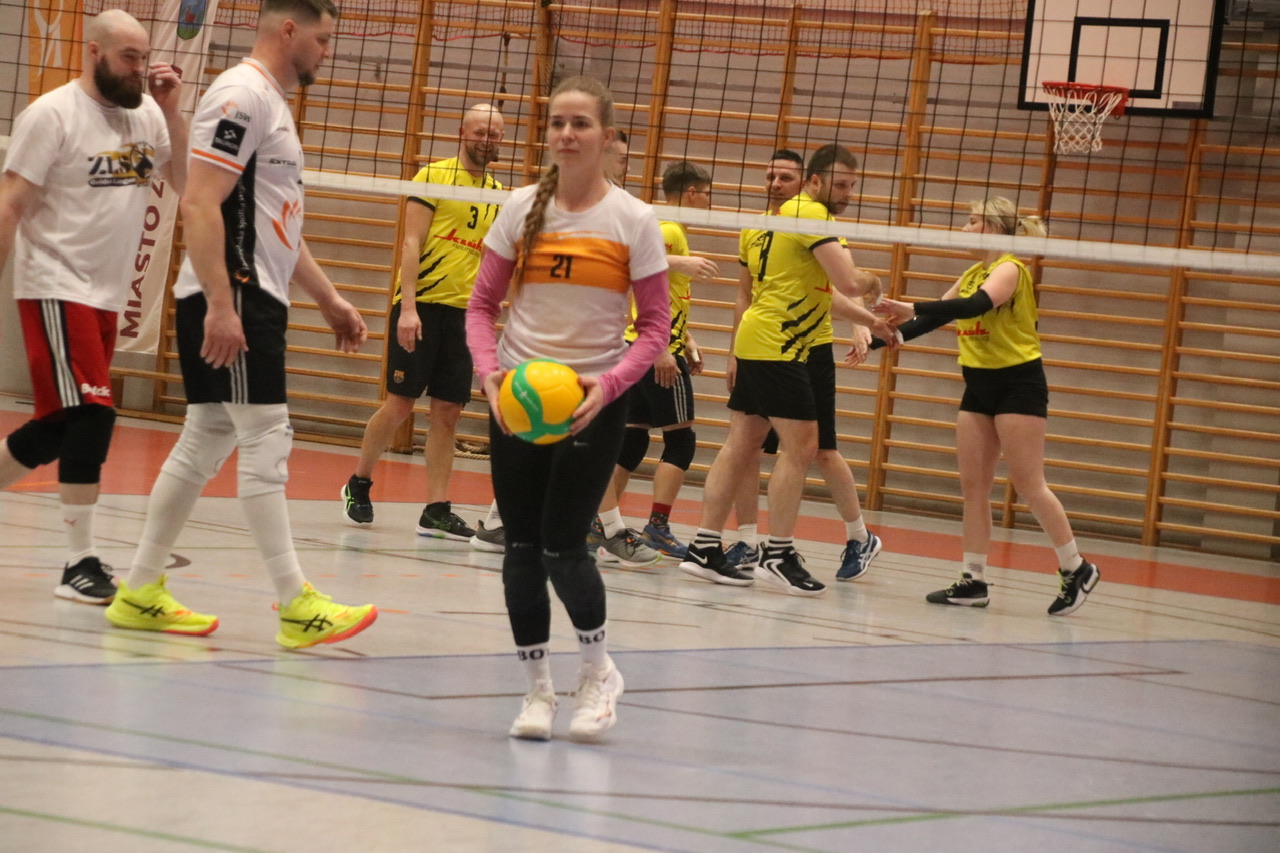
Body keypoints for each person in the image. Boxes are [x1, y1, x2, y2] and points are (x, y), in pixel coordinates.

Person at [104, 0, 378, 648]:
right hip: (237, 294)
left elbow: (272, 222)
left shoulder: (268, 103)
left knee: (204, 439)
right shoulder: (243, 94)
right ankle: (296, 603)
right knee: (267, 439)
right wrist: (224, 306)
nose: (327, 51)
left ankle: (140, 589)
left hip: (249, 291)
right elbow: (199, 202)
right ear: (289, 29)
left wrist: (329, 299)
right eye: (322, 39)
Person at [466, 75, 669, 741]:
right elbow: (481, 306)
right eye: (557, 122)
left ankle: (597, 672)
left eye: (580, 123)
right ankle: (536, 691)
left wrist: (608, 387)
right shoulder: (520, 207)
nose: (566, 134)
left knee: (563, 547)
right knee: (520, 549)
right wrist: (490, 375)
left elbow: (655, 329)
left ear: (607, 136)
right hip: (519, 400)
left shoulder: (634, 220)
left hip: (591, 403)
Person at [0, 9, 187, 604]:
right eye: (128, 57)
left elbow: (185, 181)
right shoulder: (51, 114)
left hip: (107, 294)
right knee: (93, 415)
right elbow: (10, 203)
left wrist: (174, 111)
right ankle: (79, 563)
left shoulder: (148, 114)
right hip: (56, 284)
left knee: (59, 424)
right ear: (94, 52)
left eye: (143, 57)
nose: (139, 68)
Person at [678, 144, 896, 596]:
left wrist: (868, 321)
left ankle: (703, 547)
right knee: (803, 447)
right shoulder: (811, 215)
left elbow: (815, 291)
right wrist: (875, 286)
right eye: (840, 185)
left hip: (759, 339)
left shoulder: (775, 222)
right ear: (814, 182)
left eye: (852, 185)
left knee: (742, 443)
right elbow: (849, 281)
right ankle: (777, 554)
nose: (847, 193)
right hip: (781, 344)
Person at [872, 197, 1100, 615]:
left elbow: (974, 306)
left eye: (972, 221)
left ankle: (1076, 567)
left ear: (994, 227)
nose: (964, 229)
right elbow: (934, 319)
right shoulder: (972, 273)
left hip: (1018, 384)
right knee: (973, 487)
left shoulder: (1010, 268)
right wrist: (876, 341)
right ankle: (973, 580)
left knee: (1029, 484)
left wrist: (913, 306)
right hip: (978, 385)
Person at [340, 104, 507, 548]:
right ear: (462, 132)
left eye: (494, 134)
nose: (487, 140)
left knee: (448, 413)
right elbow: (411, 242)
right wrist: (408, 308)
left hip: (464, 315)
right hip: (422, 306)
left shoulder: (497, 192)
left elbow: (491, 256)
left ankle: (436, 510)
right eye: (480, 131)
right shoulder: (434, 176)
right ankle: (359, 481)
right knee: (400, 404)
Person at [613, 160, 718, 559]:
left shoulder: (668, 228)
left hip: (641, 347)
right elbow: (638, 273)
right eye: (706, 193)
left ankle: (598, 523)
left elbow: (662, 294)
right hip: (654, 349)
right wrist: (662, 348)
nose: (708, 200)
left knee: (633, 439)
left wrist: (687, 338)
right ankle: (657, 527)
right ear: (691, 193)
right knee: (681, 441)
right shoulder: (668, 229)